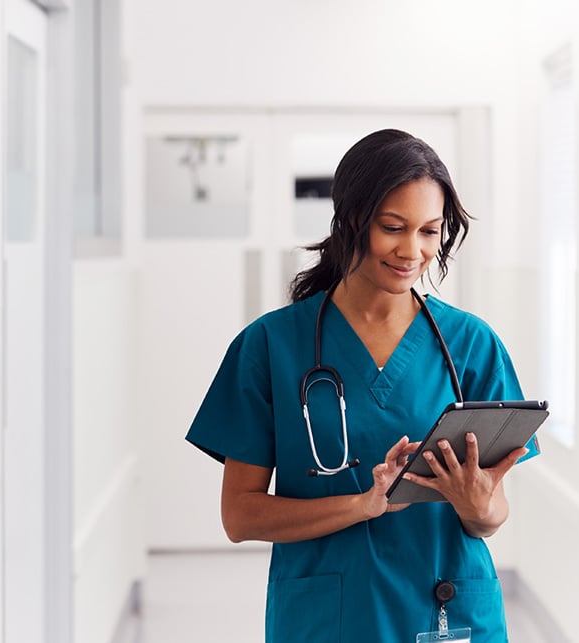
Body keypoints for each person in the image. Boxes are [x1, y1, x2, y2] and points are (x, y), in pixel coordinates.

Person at [185, 128, 538, 642]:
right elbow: (240, 516)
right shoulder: (270, 347)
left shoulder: (470, 345)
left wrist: (477, 503)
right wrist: (362, 504)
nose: (412, 250)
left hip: (445, 611)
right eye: (393, 226)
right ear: (351, 219)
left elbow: (491, 515)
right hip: (330, 618)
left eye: (429, 231)